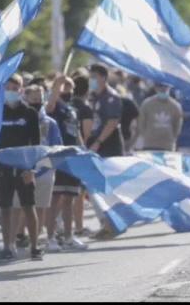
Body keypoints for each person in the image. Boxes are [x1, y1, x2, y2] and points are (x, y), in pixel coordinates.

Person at [0, 74, 43, 261]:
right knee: (5, 208)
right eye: (7, 88)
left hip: (23, 167)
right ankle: (8, 246)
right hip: (3, 167)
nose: (11, 92)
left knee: (28, 206)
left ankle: (34, 246)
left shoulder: (30, 113)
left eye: (15, 89)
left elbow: (35, 144)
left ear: (21, 90)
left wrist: (31, 169)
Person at [13, 84, 62, 249]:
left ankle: (37, 236)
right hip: (24, 168)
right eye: (34, 99)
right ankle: (18, 237)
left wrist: (50, 163)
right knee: (20, 205)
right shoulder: (21, 119)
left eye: (40, 99)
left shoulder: (50, 122)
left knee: (41, 205)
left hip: (45, 168)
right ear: (25, 98)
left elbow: (57, 146)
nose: (38, 102)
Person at [45, 75, 89, 251]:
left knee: (70, 198)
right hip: (58, 156)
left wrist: (83, 150)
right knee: (55, 199)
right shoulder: (54, 106)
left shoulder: (72, 109)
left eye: (71, 87)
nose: (68, 90)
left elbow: (77, 132)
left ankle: (69, 236)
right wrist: (58, 82)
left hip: (73, 157)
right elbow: (50, 105)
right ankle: (50, 238)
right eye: (65, 87)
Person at [87, 64, 124, 239]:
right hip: (96, 145)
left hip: (109, 146)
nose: (91, 79)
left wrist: (98, 142)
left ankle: (111, 224)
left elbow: (112, 122)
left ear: (103, 77)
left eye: (94, 76)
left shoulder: (111, 97)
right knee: (96, 187)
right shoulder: (94, 97)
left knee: (108, 186)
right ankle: (106, 223)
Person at [70, 75, 94, 238]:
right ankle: (78, 226)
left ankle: (62, 228)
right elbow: (86, 134)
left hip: (63, 152)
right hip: (78, 153)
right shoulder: (85, 108)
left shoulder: (66, 105)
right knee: (78, 193)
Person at [137, 83, 183, 151]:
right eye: (160, 86)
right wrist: (146, 136)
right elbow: (141, 123)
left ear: (169, 87)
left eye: (165, 86)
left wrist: (172, 138)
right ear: (156, 88)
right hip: (149, 144)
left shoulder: (175, 106)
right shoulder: (147, 104)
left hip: (167, 145)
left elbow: (177, 126)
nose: (163, 88)